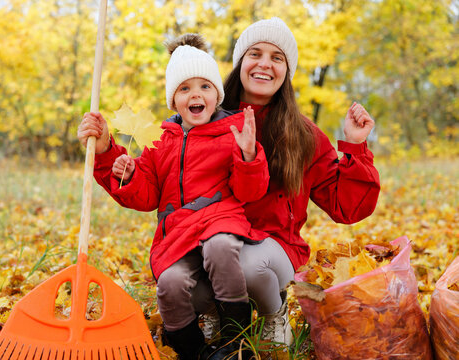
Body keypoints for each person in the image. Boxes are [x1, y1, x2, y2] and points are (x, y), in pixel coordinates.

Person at [78, 34, 270, 359]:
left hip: (218, 224)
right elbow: (145, 195)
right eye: (184, 88)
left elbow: (251, 191)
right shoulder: (160, 142)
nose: (195, 94)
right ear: (174, 99)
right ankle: (195, 352)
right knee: (169, 284)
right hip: (177, 236)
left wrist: (249, 155)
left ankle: (236, 342)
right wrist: (117, 163)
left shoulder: (232, 134)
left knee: (221, 246)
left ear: (217, 95)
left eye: (204, 87)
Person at [192, 17, 380, 345]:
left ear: (286, 72)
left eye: (276, 58)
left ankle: (273, 313)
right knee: (189, 264)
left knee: (247, 266)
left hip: (271, 248)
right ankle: (211, 313)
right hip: (216, 240)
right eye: (255, 54)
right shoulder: (208, 120)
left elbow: (346, 206)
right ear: (240, 64)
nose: (265, 64)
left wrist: (355, 145)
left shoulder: (302, 134)